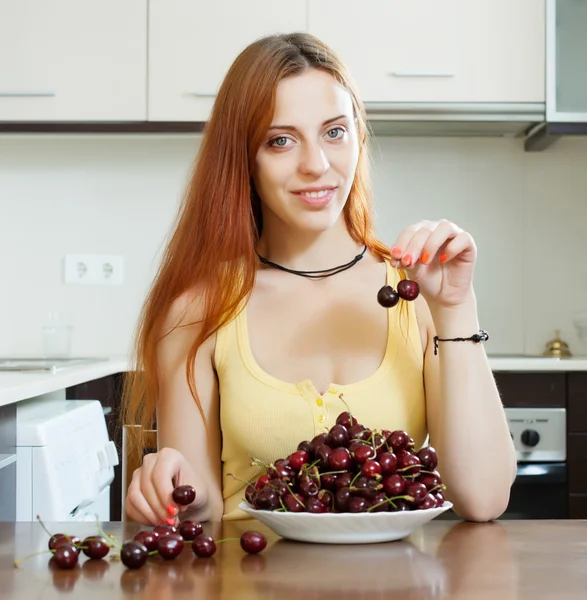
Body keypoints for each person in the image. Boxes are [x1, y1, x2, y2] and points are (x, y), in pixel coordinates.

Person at [121, 32, 517, 525]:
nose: (316, 165)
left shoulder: (418, 294)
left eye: (334, 132)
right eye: (280, 140)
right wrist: (169, 495)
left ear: (359, 138)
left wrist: (456, 307)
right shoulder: (199, 309)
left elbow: (484, 499)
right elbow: (197, 512)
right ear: (244, 157)